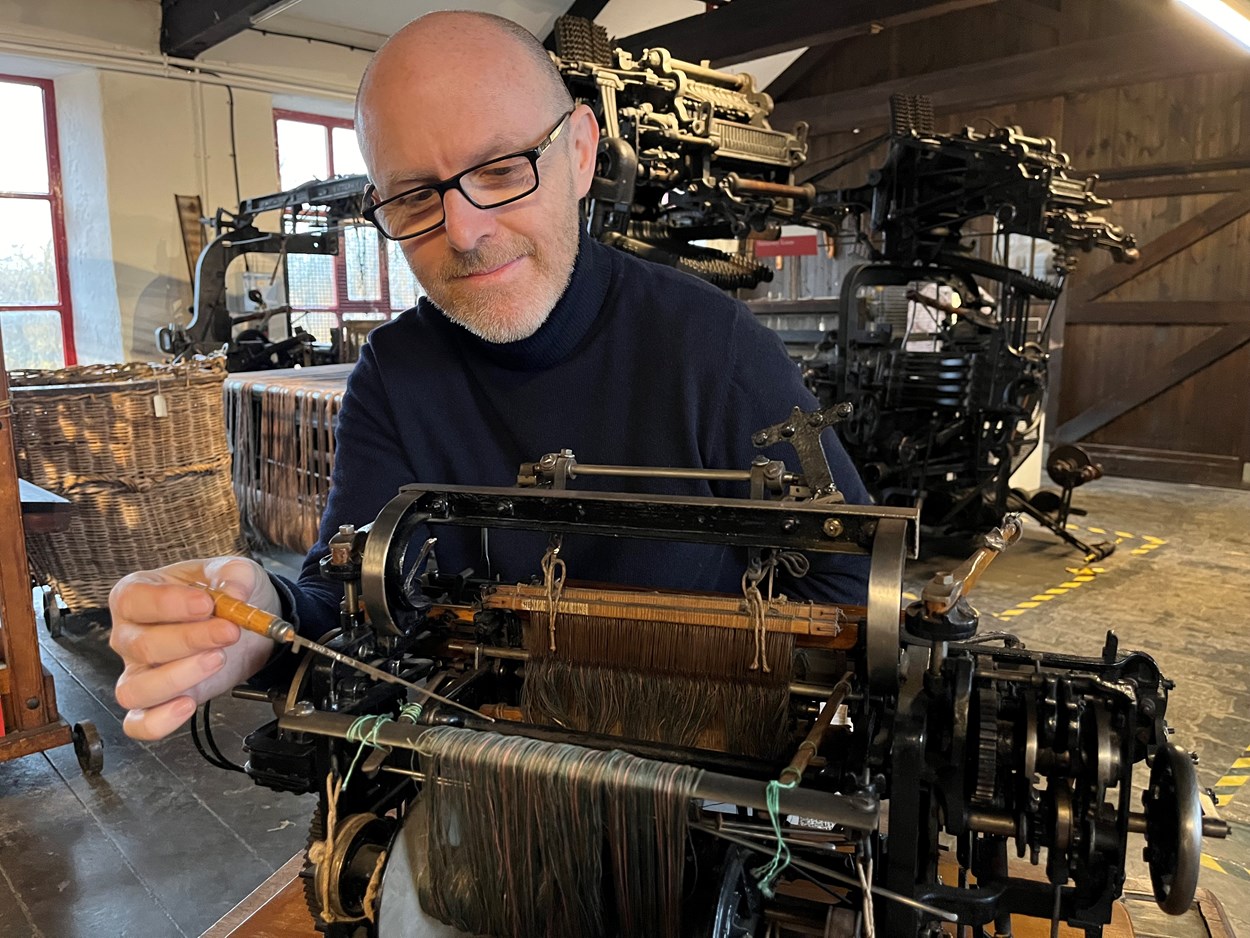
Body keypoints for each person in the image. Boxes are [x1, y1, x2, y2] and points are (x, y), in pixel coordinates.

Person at [109, 10, 870, 742]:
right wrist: (261, 619)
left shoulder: (713, 348)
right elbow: (346, 603)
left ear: (579, 153)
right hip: (484, 773)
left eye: (502, 169)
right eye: (413, 198)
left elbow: (847, 599)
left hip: (694, 784)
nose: (465, 231)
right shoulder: (396, 372)